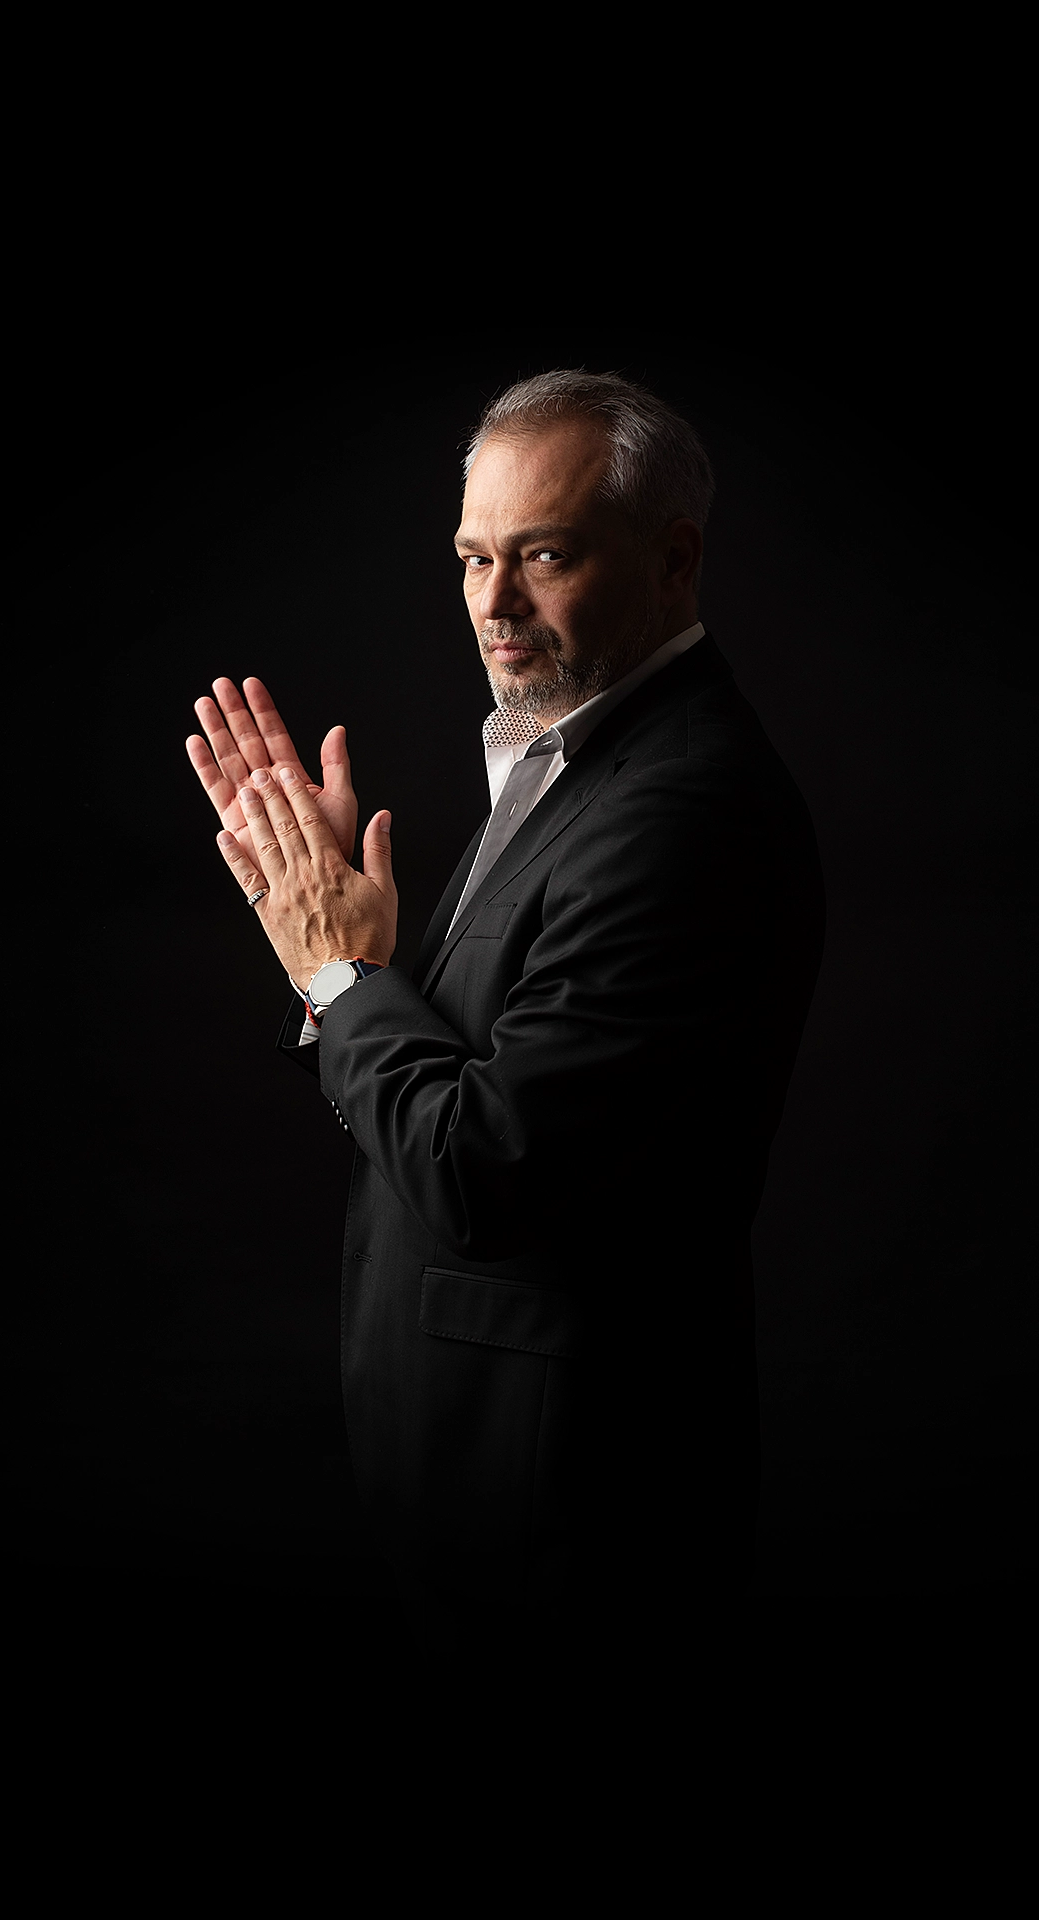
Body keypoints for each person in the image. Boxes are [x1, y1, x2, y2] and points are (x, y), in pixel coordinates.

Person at [187, 370, 825, 1644]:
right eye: (474, 558)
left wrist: (339, 975)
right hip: (489, 1481)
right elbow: (463, 1077)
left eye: (543, 554)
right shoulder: (576, 759)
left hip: (573, 1510)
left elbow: (483, 1168)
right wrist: (344, 964)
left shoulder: (677, 811)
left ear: (674, 557)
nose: (492, 604)